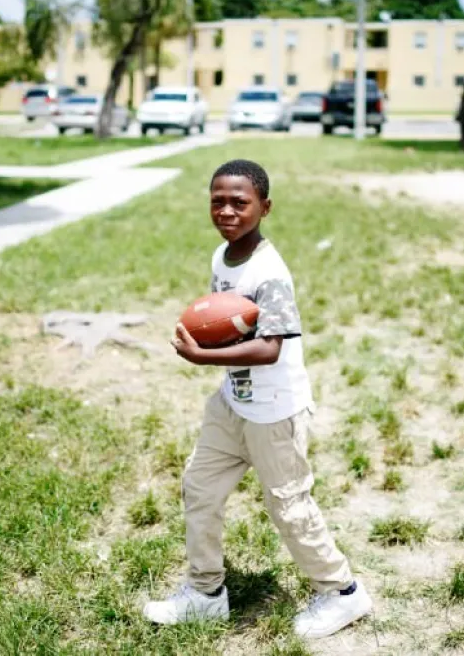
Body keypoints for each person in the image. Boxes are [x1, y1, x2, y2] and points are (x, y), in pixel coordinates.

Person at [142, 159, 372, 639]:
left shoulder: (270, 271)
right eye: (217, 201)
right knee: (199, 488)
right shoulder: (220, 257)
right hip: (232, 403)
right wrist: (211, 345)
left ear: (264, 207)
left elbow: (270, 347)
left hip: (274, 411)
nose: (227, 210)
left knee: (289, 506)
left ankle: (342, 593)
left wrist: (200, 355)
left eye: (240, 202)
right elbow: (226, 321)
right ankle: (206, 595)